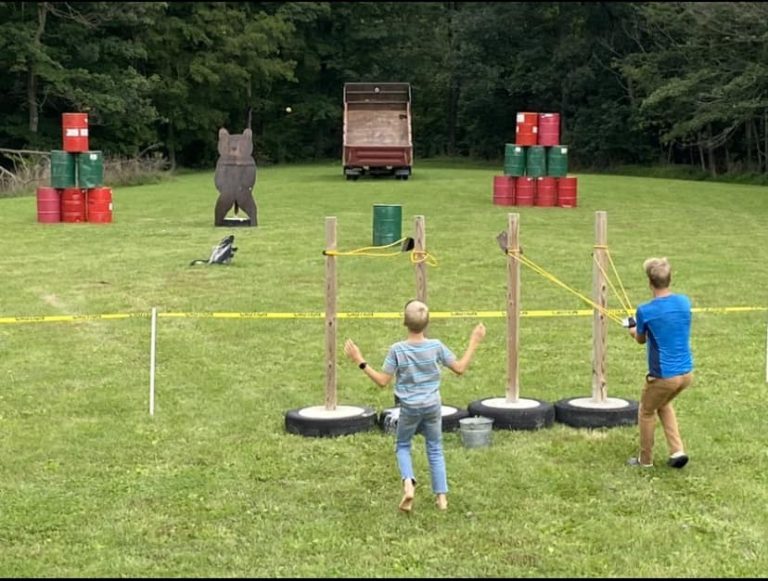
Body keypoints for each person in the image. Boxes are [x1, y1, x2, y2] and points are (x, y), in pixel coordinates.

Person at [343, 299, 486, 512]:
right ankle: (442, 499)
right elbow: (460, 368)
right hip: (432, 406)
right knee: (435, 448)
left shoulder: (397, 350)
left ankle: (409, 485)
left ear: (404, 322)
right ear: (427, 324)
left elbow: (383, 381)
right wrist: (474, 340)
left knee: (402, 445)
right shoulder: (436, 347)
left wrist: (360, 360)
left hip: (409, 407)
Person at [626, 257, 694, 469]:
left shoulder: (645, 311)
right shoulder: (684, 302)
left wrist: (631, 327)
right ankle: (677, 451)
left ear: (649, 283)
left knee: (646, 411)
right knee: (663, 404)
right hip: (686, 374)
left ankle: (644, 460)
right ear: (669, 280)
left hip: (664, 376)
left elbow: (640, 339)